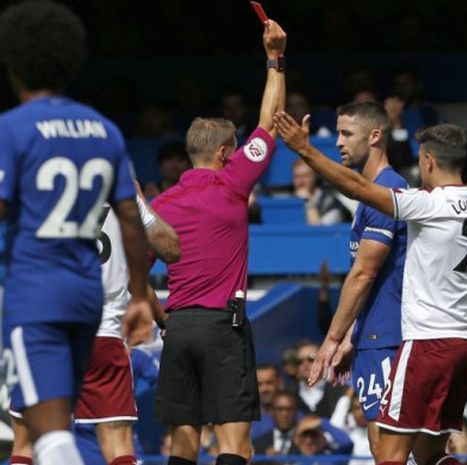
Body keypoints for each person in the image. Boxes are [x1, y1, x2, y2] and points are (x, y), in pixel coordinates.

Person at [274, 113, 467, 465]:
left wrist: (305, 151)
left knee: (388, 454)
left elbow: (358, 189)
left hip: (427, 344)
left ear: (428, 161)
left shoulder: (426, 204)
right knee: (432, 453)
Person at [0, 2, 153, 464]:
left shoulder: (11, 128)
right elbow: (131, 219)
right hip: (89, 298)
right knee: (97, 436)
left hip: (34, 294)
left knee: (44, 433)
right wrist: (143, 296)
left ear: (14, 63)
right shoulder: (104, 131)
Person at [150, 17, 287, 465]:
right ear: (227, 154)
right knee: (235, 445)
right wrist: (274, 58)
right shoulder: (232, 182)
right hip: (221, 328)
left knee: (182, 445)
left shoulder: (163, 203)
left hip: (177, 328)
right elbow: (270, 121)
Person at [9, 191, 180, 465]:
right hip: (102, 335)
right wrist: (140, 202)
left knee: (25, 444)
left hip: (46, 332)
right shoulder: (120, 185)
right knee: (118, 446)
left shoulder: (38, 179)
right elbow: (171, 249)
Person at [306, 100, 408, 460]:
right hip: (371, 337)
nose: (338, 142)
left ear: (375, 135)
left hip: (388, 337)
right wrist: (353, 336)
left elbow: (364, 274)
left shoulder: (388, 191)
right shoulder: (369, 195)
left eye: (347, 133)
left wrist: (331, 341)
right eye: (337, 133)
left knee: (390, 450)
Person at [294, 340, 345, 418]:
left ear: (324, 360)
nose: (305, 364)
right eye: (299, 361)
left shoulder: (342, 392)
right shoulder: (289, 395)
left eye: (311, 359)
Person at [292, 159, 351, 225]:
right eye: (297, 176)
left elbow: (319, 231)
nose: (301, 181)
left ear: (315, 177)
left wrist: (307, 201)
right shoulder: (287, 198)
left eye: (306, 176)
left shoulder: (331, 203)